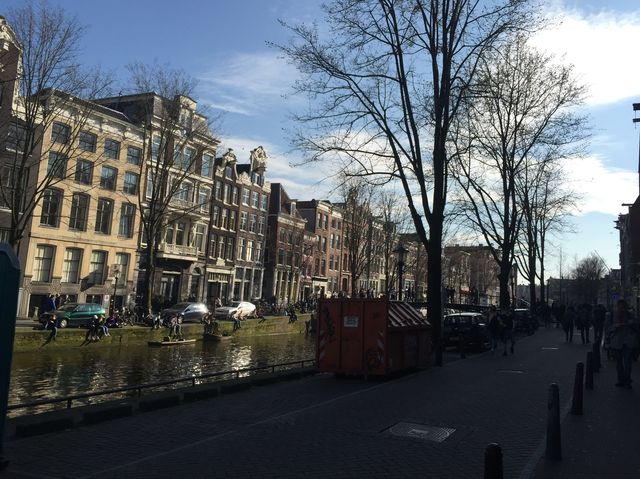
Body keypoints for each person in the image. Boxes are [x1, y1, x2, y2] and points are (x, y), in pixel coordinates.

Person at [609, 299, 639, 389]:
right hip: (617, 341)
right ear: (617, 306)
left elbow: (636, 325)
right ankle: (620, 380)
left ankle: (627, 381)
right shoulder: (613, 315)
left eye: (623, 306)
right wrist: (615, 326)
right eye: (620, 306)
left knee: (627, 363)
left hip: (628, 341)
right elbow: (608, 327)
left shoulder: (630, 314)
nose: (621, 308)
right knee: (618, 363)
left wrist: (631, 323)